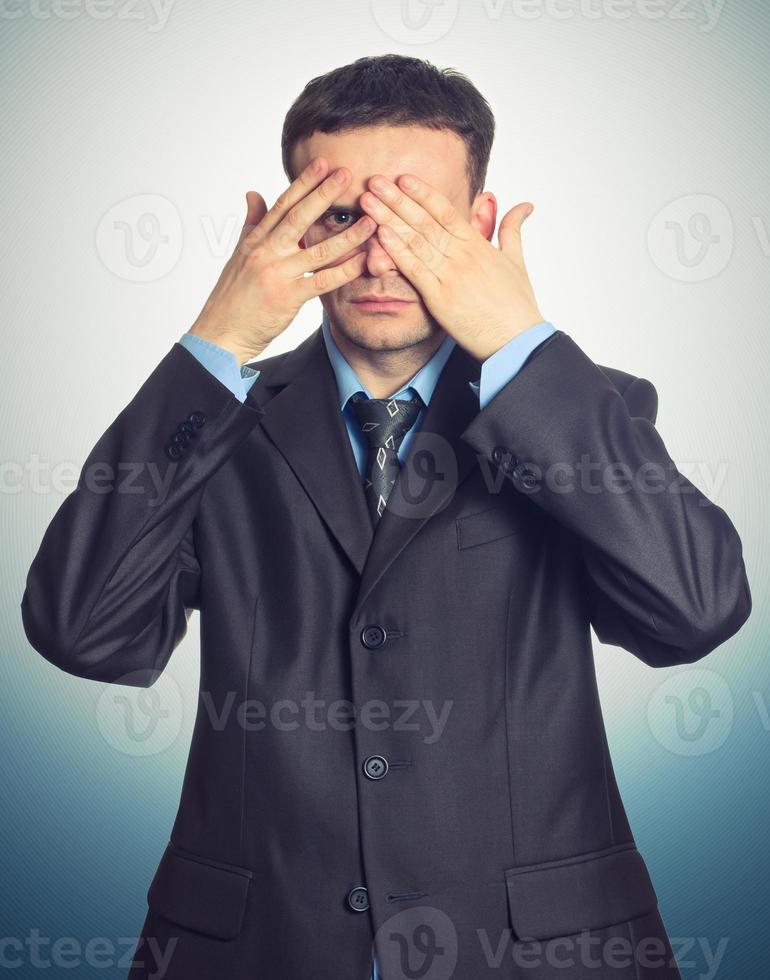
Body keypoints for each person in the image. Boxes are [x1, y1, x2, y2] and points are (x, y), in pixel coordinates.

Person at [21, 54, 751, 980]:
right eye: (339, 218)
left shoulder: (582, 412)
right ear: (273, 230)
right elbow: (81, 631)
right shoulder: (211, 427)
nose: (377, 256)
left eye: (417, 220)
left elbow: (695, 611)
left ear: (480, 226)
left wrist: (521, 346)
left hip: (543, 955)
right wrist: (218, 341)